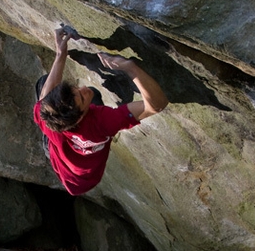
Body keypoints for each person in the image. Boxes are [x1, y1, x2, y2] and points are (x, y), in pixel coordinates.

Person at [33, 27, 169, 196]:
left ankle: (56, 143)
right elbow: (157, 105)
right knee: (94, 93)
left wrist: (61, 53)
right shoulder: (103, 122)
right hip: (82, 178)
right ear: (78, 119)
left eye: (76, 90)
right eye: (82, 99)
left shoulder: (50, 122)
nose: (83, 89)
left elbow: (46, 96)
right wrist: (130, 68)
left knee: (44, 84)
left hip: (62, 156)